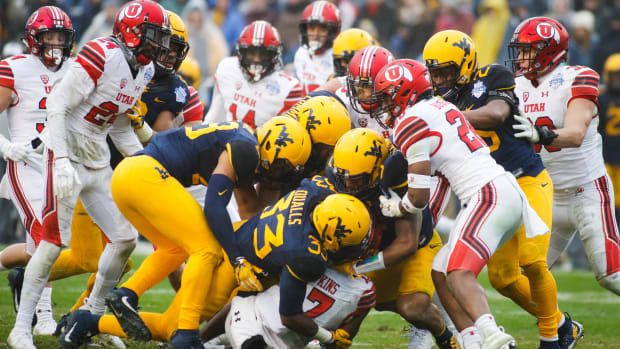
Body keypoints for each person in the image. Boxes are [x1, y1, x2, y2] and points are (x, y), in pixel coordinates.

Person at [7, 2, 171, 348]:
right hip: (65, 149)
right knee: (52, 245)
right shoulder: (102, 54)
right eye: (155, 36)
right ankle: (21, 328)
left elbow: (120, 127)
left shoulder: (143, 71)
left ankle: (91, 315)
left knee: (124, 238)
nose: (160, 45)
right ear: (133, 30)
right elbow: (58, 104)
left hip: (95, 157)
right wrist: (62, 160)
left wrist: (147, 163)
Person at [58, 179, 372, 349]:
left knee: (231, 308)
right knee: (172, 329)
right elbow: (289, 315)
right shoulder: (306, 256)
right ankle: (86, 322)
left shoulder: (314, 195)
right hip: (233, 267)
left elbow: (312, 184)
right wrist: (328, 339)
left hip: (238, 242)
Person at [372, 59, 549, 349]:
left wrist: (397, 207)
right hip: (503, 191)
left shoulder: (410, 121)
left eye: (388, 96)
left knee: (458, 272)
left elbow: (418, 200)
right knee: (441, 270)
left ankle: (495, 338)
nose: (385, 105)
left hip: (486, 194)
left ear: (404, 92)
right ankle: (471, 338)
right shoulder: (445, 106)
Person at [422, 30, 581, 349]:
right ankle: (564, 325)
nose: (440, 81)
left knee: (533, 260)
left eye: (447, 72)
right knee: (503, 278)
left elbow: (497, 113)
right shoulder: (438, 102)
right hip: (490, 192)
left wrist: (450, 117)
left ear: (466, 65)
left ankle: (550, 338)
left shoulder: (491, 76)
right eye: (435, 73)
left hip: (527, 179)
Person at [91, 117, 311, 348]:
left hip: (129, 176)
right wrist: (237, 259)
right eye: (282, 166)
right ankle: (186, 332)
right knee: (207, 249)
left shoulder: (245, 144)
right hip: (144, 173)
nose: (280, 173)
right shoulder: (246, 149)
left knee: (175, 249)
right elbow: (215, 208)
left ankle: (126, 293)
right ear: (270, 145)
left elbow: (251, 213)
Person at [510, 17, 620, 296]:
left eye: (527, 50)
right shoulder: (513, 86)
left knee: (611, 276)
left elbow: (575, 134)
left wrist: (540, 134)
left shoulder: (577, 77)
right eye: (519, 50)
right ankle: (563, 330)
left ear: (547, 50)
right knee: (521, 279)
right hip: (545, 196)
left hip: (586, 191)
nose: (520, 57)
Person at [327, 128, 459, 349]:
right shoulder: (338, 172)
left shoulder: (398, 173)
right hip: (377, 247)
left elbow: (407, 243)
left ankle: (445, 334)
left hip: (417, 246)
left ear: (377, 171)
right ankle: (334, 343)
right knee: (355, 300)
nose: (348, 185)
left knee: (413, 307)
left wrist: (358, 267)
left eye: (357, 180)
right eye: (345, 177)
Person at [0, 5, 74, 337]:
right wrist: (6, 148)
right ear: (34, 39)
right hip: (26, 163)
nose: (57, 43)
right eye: (50, 36)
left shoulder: (74, 69)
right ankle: (43, 316)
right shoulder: (14, 69)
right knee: (45, 238)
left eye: (62, 37)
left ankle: (7, 267)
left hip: (60, 165)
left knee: (40, 248)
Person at [205, 20, 302, 129]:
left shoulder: (288, 88)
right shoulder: (227, 68)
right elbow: (214, 116)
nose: (256, 60)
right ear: (241, 52)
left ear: (274, 56)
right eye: (251, 54)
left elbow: (289, 135)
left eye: (263, 55)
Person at [294, 0, 341, 95]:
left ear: (332, 31)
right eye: (311, 28)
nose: (315, 35)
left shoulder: (338, 57)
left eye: (322, 29)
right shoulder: (301, 52)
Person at [599, 53, 620, 221]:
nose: (617, 80)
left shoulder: (602, 98)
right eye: (614, 76)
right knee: (607, 205)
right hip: (605, 157)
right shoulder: (601, 99)